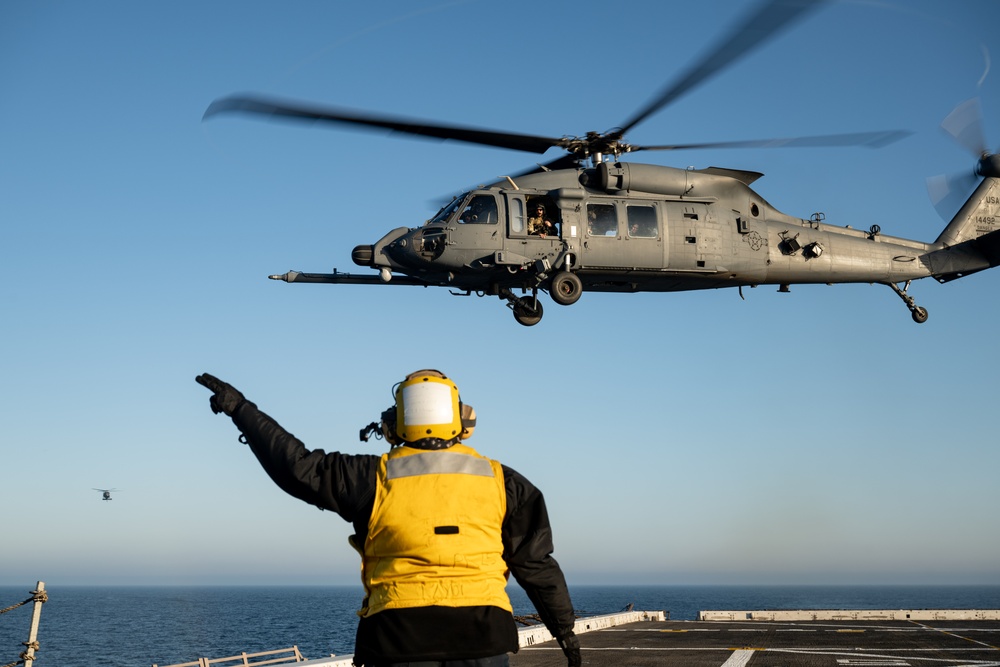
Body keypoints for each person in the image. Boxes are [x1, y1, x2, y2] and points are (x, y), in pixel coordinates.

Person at [196, 370, 581, 667]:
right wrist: (566, 634)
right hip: (483, 636)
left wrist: (240, 409)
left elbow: (297, 467)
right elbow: (536, 565)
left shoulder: (371, 477)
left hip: (397, 638)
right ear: (460, 422)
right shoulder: (504, 482)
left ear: (396, 422)